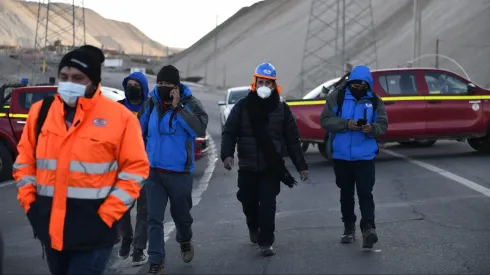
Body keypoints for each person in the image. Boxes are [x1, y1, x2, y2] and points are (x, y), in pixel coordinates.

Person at [13, 45, 150, 274]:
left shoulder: (120, 118)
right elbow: (24, 163)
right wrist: (32, 207)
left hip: (94, 236)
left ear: (94, 81)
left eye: (78, 78)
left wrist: (107, 216)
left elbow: (136, 169)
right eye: (64, 77)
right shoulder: (41, 112)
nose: (69, 83)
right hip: (51, 232)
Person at [220, 62, 309, 257]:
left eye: (268, 83)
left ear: (274, 86)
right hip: (247, 167)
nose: (264, 86)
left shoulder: (282, 109)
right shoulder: (242, 107)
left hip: (271, 168)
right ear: (255, 83)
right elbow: (229, 132)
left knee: (268, 205)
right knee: (248, 202)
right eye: (261, 82)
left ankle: (266, 242)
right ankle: (253, 225)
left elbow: (293, 141)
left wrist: (301, 166)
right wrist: (226, 155)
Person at [138, 65, 208, 275]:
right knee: (154, 218)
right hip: (154, 172)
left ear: (176, 86)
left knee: (182, 216)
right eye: (159, 84)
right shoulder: (151, 104)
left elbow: (199, 129)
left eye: (167, 84)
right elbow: (137, 130)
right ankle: (156, 261)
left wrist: (178, 108)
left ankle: (185, 240)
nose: (162, 88)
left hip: (179, 172)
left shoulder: (191, 104)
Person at [319, 65, 388, 249]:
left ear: (368, 84)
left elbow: (382, 125)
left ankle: (368, 229)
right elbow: (325, 120)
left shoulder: (374, 100)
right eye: (355, 85)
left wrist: (370, 128)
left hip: (365, 157)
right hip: (341, 156)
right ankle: (349, 228)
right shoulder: (337, 96)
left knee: (365, 193)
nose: (358, 88)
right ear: (350, 83)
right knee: (346, 194)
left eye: (362, 85)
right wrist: (346, 124)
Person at [116, 71, 150, 266]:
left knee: (144, 211)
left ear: (143, 88)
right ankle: (126, 238)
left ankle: (138, 249)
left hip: (145, 167)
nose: (131, 88)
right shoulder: (117, 108)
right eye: (128, 85)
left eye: (135, 85)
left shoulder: (150, 108)